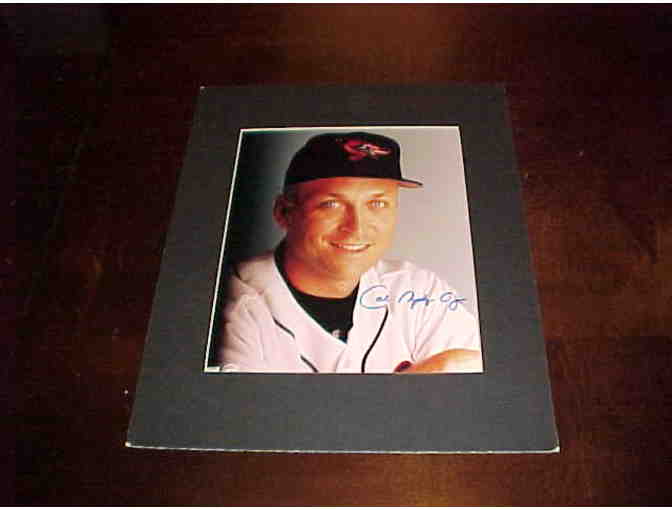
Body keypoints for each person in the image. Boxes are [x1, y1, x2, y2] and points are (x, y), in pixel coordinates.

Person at [218, 132, 482, 373]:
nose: (356, 227)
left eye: (377, 203)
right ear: (284, 212)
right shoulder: (227, 307)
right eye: (331, 204)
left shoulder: (418, 290)